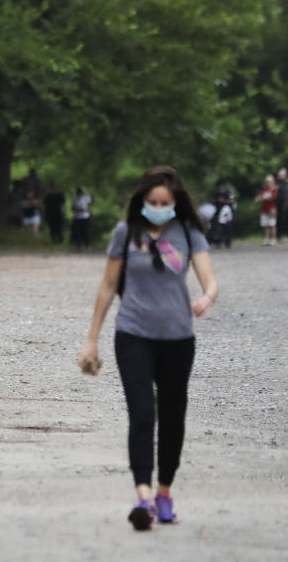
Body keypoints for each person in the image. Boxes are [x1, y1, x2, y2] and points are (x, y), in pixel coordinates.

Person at [77, 165, 219, 531]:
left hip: (177, 338)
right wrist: (91, 339)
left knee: (173, 416)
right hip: (133, 335)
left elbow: (210, 280)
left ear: (175, 203)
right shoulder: (126, 233)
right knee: (142, 414)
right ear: (142, 200)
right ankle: (142, 497)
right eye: (152, 201)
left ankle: (164, 492)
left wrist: (207, 298)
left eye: (165, 202)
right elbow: (108, 286)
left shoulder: (188, 232)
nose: (158, 206)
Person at [254, 174, 278, 245]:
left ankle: (273, 239)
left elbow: (273, 198)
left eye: (269, 181)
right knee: (266, 225)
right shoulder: (264, 189)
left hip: (272, 210)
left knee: (272, 225)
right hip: (264, 209)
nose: (268, 183)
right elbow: (260, 196)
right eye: (267, 181)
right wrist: (258, 198)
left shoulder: (274, 189)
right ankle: (267, 238)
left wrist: (262, 198)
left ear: (272, 182)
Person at [20, 169, 43, 236]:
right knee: (27, 233)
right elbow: (23, 205)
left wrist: (31, 201)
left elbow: (36, 204)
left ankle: (36, 244)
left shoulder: (37, 193)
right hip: (26, 214)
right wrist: (31, 202)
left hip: (34, 214)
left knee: (35, 231)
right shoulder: (23, 194)